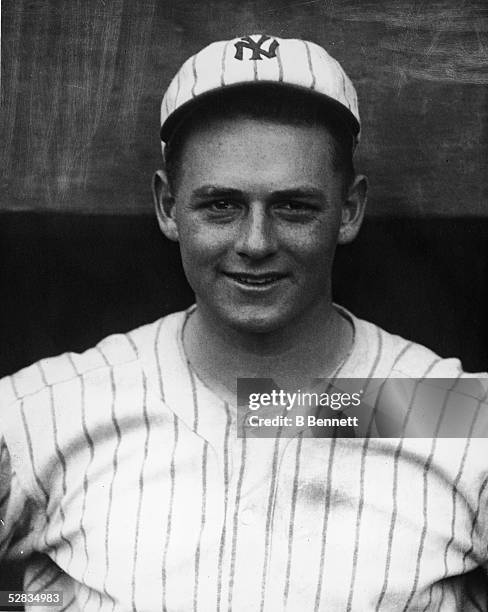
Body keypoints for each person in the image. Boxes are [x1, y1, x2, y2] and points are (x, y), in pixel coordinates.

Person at [0, 34, 487, 611]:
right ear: (167, 206)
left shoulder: (451, 410)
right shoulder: (47, 408)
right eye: (221, 205)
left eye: (294, 207)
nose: (255, 242)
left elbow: (280, 413)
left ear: (349, 210)